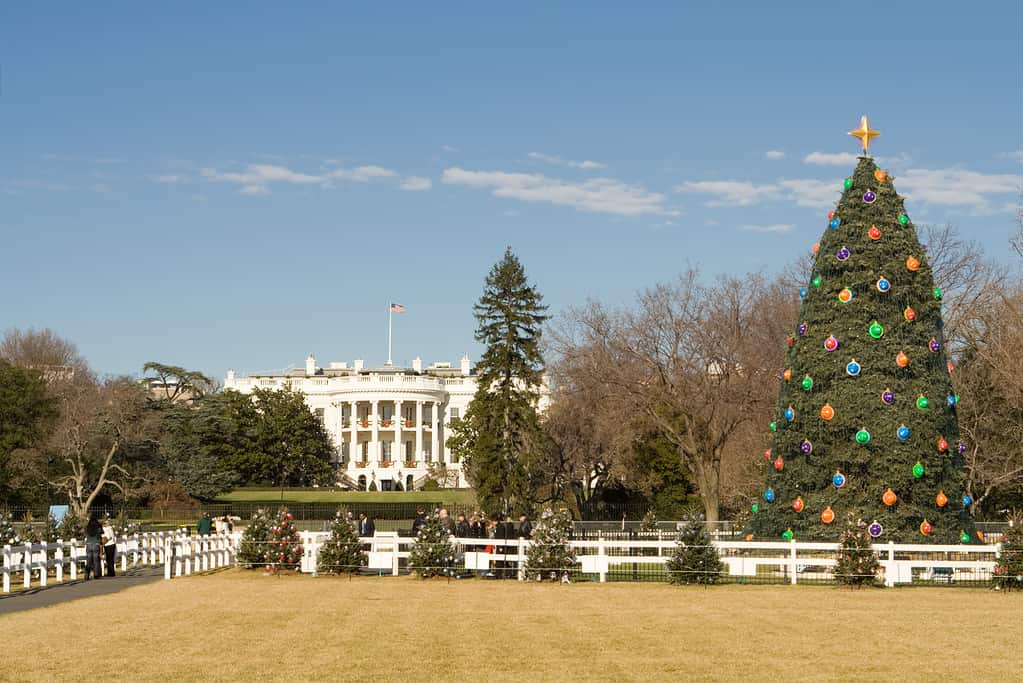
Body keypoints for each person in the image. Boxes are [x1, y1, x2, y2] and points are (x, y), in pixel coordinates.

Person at [84, 513, 103, 580]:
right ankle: (96, 574)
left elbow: (85, 534)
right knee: (96, 560)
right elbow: (101, 533)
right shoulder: (98, 527)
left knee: (88, 560)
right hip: (96, 544)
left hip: (88, 544)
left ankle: (86, 575)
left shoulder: (87, 527)